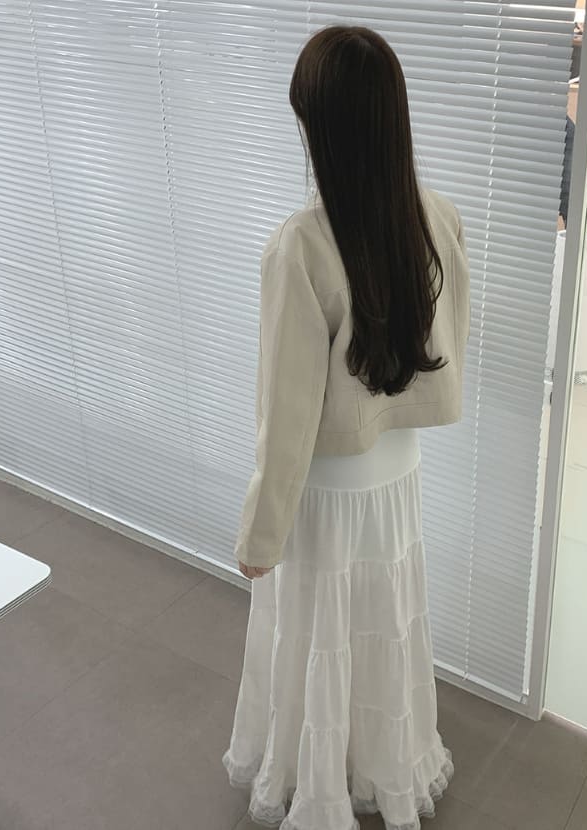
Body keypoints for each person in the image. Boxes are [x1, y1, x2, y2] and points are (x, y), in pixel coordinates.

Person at [223, 25, 470, 830]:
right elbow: (449, 341)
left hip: (326, 489)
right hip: (396, 476)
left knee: (318, 632)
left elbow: (287, 416)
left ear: (319, 128)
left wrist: (261, 534)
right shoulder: (435, 218)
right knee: (382, 625)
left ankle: (318, 780)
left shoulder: (300, 247)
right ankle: (385, 762)